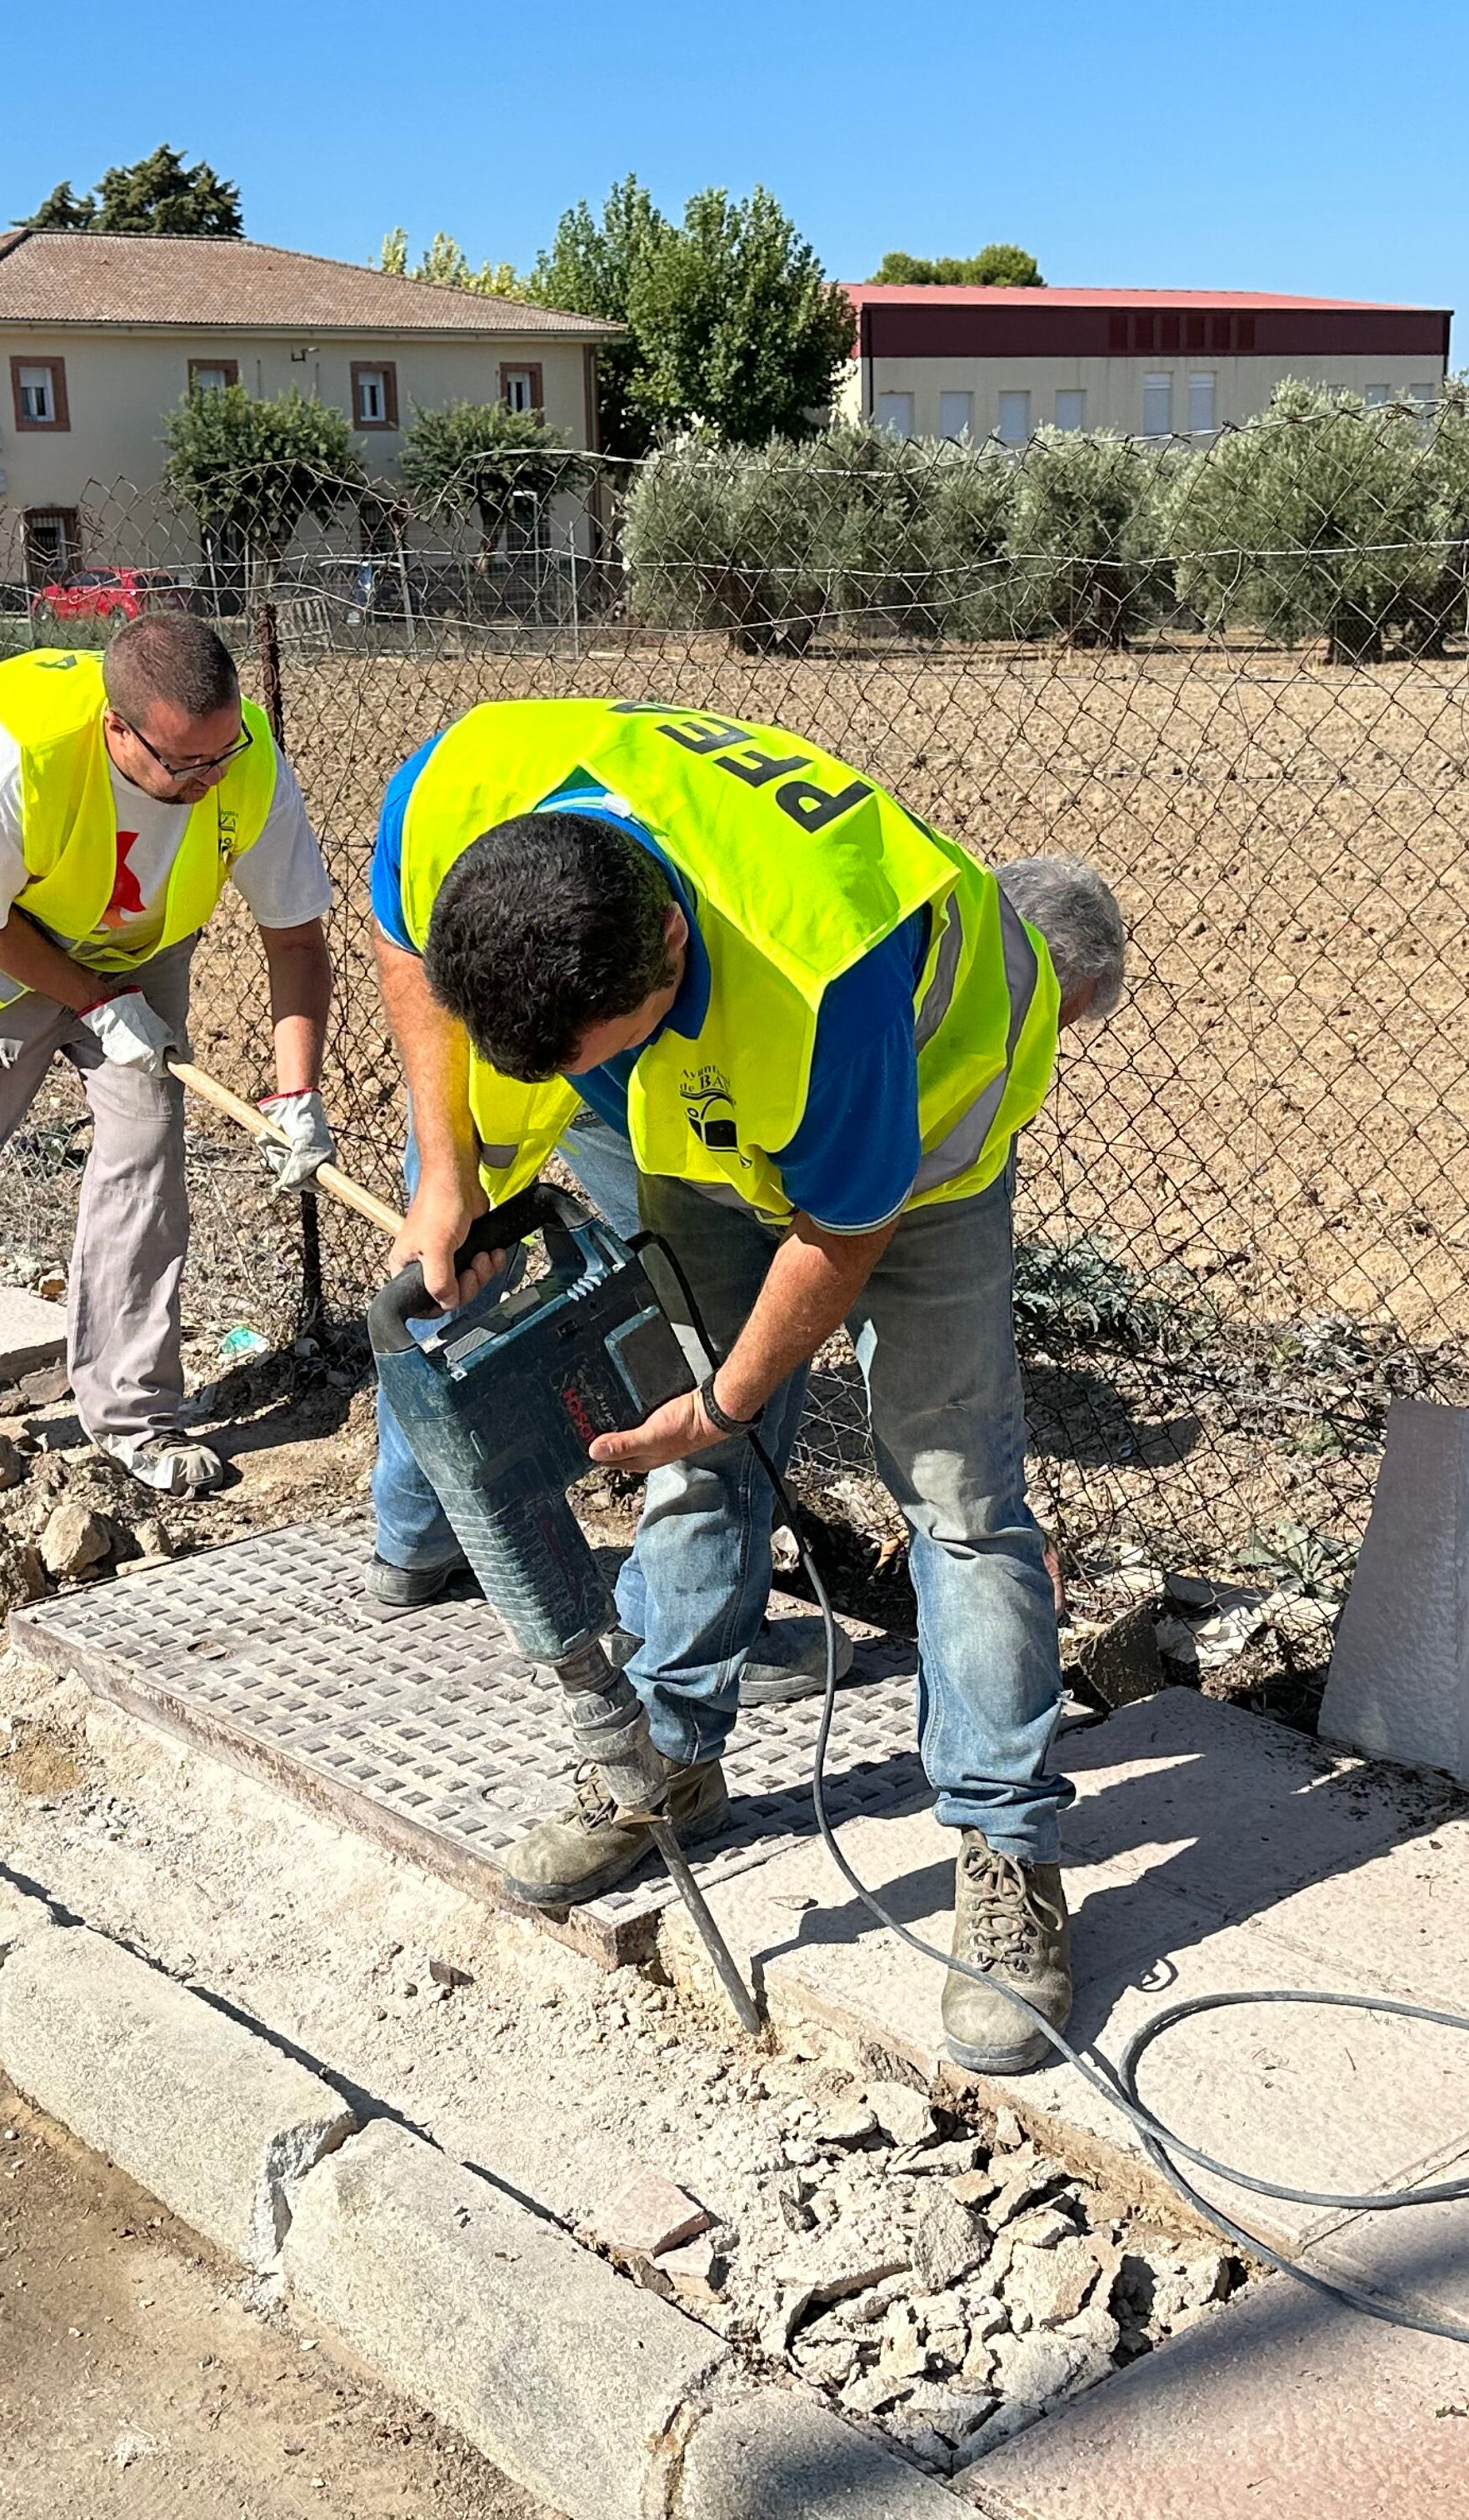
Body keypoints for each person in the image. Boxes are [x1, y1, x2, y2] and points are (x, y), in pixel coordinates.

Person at [362, 697, 1127, 2072]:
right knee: (691, 1457)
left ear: (664, 943)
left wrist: (727, 1396)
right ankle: (663, 1757)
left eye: (585, 1053)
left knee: (955, 1499)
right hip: (710, 1113)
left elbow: (839, 1229)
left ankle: (1006, 1853)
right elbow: (405, 941)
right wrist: (447, 1163)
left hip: (921, 1135)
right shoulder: (473, 783)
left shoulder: (817, 967)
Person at [0, 612, 335, 1508]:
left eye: (220, 756)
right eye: (183, 765)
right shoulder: (18, 754)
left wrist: (296, 1089)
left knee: (146, 1155)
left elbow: (297, 940)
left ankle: (130, 1416)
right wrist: (93, 1002)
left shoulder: (247, 762)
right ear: (117, 727)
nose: (207, 781)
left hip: (135, 948)